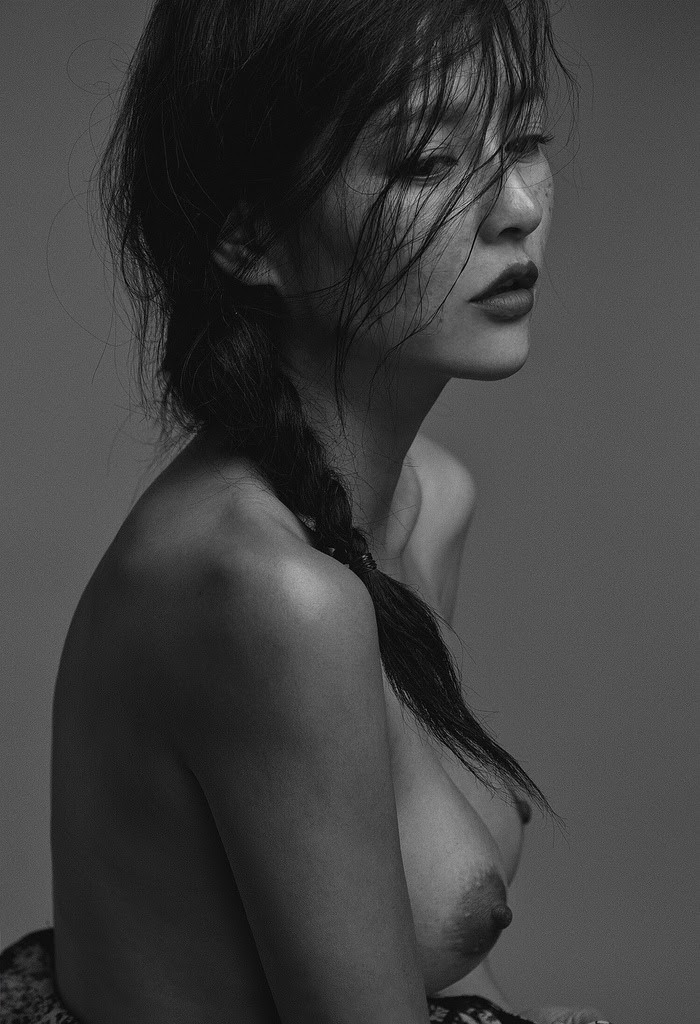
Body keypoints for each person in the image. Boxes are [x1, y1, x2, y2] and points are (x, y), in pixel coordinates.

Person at [0, 1, 612, 1022]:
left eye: (524, 141)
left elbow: (410, 941)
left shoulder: (424, 503)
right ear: (249, 234)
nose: (514, 208)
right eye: (425, 162)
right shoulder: (268, 594)